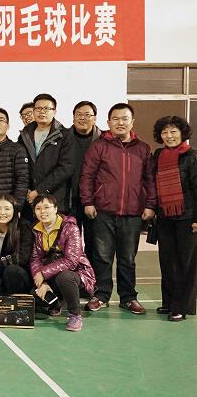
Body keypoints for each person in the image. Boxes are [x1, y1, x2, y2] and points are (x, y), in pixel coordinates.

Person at [80, 103, 156, 315]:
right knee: (102, 257)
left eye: (124, 118)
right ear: (108, 122)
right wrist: (88, 202)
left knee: (127, 259)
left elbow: (149, 179)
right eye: (115, 119)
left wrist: (150, 205)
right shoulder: (98, 146)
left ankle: (128, 297)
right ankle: (101, 295)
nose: (120, 122)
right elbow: (87, 176)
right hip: (103, 212)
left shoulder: (143, 148)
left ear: (132, 122)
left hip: (132, 213)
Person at [152, 116, 197, 321]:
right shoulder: (158, 155)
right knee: (167, 261)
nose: (169, 136)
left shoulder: (192, 156)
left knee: (185, 264)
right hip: (165, 217)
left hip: (187, 218)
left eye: (173, 131)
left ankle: (182, 307)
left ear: (182, 133)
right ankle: (169, 303)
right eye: (164, 132)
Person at [29, 194, 96, 332]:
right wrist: (42, 282)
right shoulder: (36, 230)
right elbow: (35, 259)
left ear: (55, 209)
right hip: (51, 274)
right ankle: (57, 302)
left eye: (47, 207)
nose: (42, 211)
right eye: (38, 208)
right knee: (35, 296)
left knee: (65, 277)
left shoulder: (70, 228)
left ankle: (75, 315)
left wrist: (43, 273)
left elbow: (71, 261)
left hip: (77, 274)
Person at [18, 93, 76, 216]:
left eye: (46, 108)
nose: (42, 111)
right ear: (33, 111)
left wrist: (39, 190)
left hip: (54, 199)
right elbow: (20, 165)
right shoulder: (24, 135)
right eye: (38, 108)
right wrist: (25, 190)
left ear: (54, 112)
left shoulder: (65, 136)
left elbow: (66, 168)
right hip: (28, 199)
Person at [0, 195, 33, 299]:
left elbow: (22, 258)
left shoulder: (24, 227)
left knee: (12, 271)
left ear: (15, 211)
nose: (2, 213)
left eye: (7, 209)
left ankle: (17, 302)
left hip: (18, 273)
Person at [69, 101, 102, 257]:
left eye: (87, 115)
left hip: (95, 201)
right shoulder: (63, 138)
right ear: (73, 117)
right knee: (70, 244)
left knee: (94, 245)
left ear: (94, 118)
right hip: (69, 199)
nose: (83, 118)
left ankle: (91, 272)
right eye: (79, 114)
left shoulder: (104, 140)